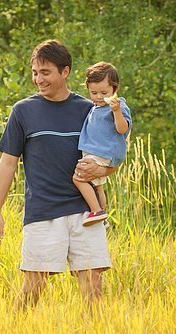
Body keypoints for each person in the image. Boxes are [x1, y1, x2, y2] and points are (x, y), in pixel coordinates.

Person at [0, 39, 115, 311]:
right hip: (42, 211)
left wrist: (104, 170)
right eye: (35, 72)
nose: (38, 79)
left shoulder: (89, 110)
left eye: (45, 72)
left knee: (92, 285)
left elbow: (111, 155)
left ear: (65, 72)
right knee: (34, 284)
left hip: (86, 211)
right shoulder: (23, 111)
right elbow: (8, 162)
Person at [73, 62, 132, 226]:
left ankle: (96, 211)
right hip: (97, 151)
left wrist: (117, 111)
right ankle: (103, 217)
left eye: (104, 92)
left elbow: (122, 129)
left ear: (115, 89)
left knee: (79, 178)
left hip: (104, 152)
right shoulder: (96, 106)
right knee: (98, 186)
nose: (99, 96)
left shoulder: (118, 106)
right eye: (94, 92)